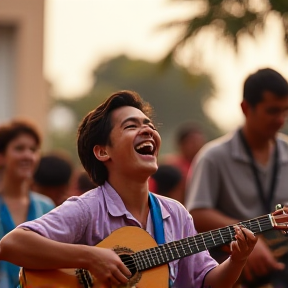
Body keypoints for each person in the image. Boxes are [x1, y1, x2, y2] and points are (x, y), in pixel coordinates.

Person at [0, 90, 257, 288]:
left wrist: (237, 260)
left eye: (149, 125)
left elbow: (207, 282)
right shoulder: (88, 209)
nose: (147, 130)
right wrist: (90, 258)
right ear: (103, 151)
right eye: (131, 126)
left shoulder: (175, 214)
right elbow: (12, 244)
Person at [185, 68, 288, 288]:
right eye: (272, 111)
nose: (280, 119)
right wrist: (248, 242)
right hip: (235, 271)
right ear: (245, 108)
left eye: (285, 111)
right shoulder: (213, 157)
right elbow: (196, 214)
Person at [0, 119, 55, 288]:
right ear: (2, 156)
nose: (28, 156)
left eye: (33, 149)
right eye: (19, 148)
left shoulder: (46, 206)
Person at [162, 122, 206, 204]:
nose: (198, 145)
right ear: (181, 144)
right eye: (193, 142)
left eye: (200, 141)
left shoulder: (204, 165)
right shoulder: (170, 166)